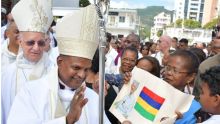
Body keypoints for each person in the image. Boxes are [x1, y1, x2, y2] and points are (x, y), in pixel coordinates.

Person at [7, 4, 110, 124]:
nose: (82, 75)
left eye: (87, 69)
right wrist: (67, 120)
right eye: (76, 67)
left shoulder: (92, 97)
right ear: (60, 62)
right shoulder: (31, 92)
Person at [1, 0, 53, 123]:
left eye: (40, 43)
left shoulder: (54, 70)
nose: (36, 48)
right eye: (30, 42)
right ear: (20, 42)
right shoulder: (9, 73)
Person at [163, 50, 201, 124]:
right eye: (168, 68)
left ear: (190, 77)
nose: (168, 73)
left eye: (175, 70)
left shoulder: (194, 109)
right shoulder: (152, 91)